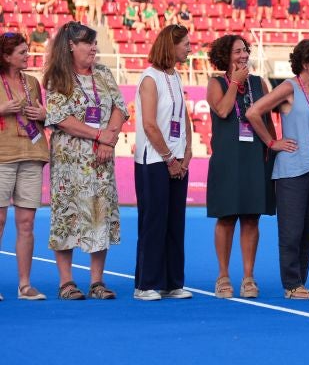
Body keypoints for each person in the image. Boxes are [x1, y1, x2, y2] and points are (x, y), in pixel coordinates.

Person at [43, 22, 128, 300]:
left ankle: (97, 281)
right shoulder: (58, 77)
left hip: (101, 158)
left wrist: (108, 138)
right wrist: (100, 135)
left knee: (100, 213)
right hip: (69, 161)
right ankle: (66, 282)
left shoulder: (103, 73)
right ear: (71, 46)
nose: (94, 48)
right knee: (67, 215)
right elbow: (61, 118)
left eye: (94, 43)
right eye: (87, 43)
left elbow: (119, 107)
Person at [245, 40, 309, 300]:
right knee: (292, 230)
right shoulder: (288, 88)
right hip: (293, 168)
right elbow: (253, 112)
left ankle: (300, 281)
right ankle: (292, 285)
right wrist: (273, 142)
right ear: (305, 64)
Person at [205, 35, 276, 299]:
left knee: (251, 216)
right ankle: (223, 276)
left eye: (245, 50)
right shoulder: (216, 83)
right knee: (226, 217)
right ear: (225, 56)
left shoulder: (259, 83)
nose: (243, 55)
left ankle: (248, 277)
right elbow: (223, 111)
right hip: (227, 158)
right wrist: (235, 82)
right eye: (237, 51)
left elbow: (267, 119)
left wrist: (272, 146)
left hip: (255, 156)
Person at [133, 25, 194, 301]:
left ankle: (172, 282)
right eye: (186, 45)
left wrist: (188, 151)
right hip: (155, 160)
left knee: (175, 222)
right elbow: (149, 124)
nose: (190, 49)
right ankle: (145, 284)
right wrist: (169, 158)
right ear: (171, 46)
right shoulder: (149, 78)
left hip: (178, 159)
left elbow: (184, 118)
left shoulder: (177, 76)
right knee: (154, 221)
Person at [0, 32, 50, 301]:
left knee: (27, 222)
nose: (27, 55)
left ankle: (25, 285)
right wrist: (3, 108)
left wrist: (43, 114)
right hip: (2, 155)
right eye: (21, 52)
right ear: (6, 57)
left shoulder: (32, 82)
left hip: (31, 154)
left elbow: (43, 116)